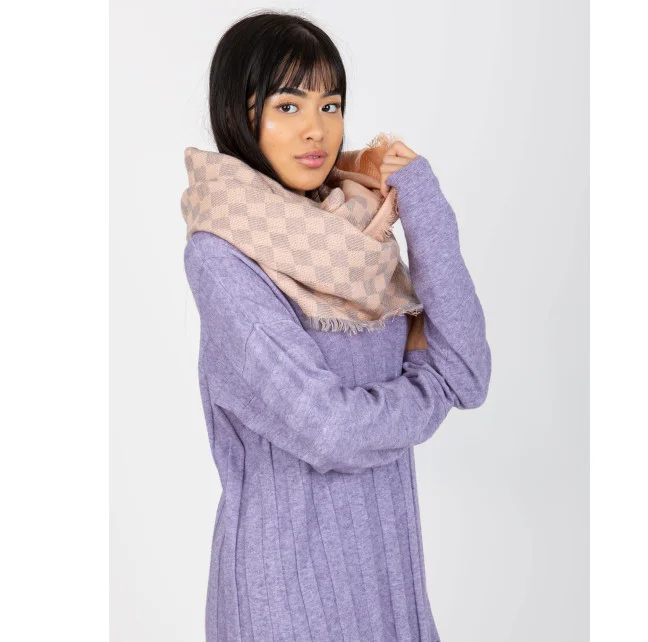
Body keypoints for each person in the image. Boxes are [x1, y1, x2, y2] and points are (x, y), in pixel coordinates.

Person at [181, 10, 491, 642]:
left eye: (331, 105)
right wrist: (428, 388)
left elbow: (468, 371)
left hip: (386, 573)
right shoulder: (221, 256)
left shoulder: (356, 230)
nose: (316, 129)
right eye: (287, 106)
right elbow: (330, 429)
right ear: (239, 116)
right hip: (286, 596)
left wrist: (421, 200)